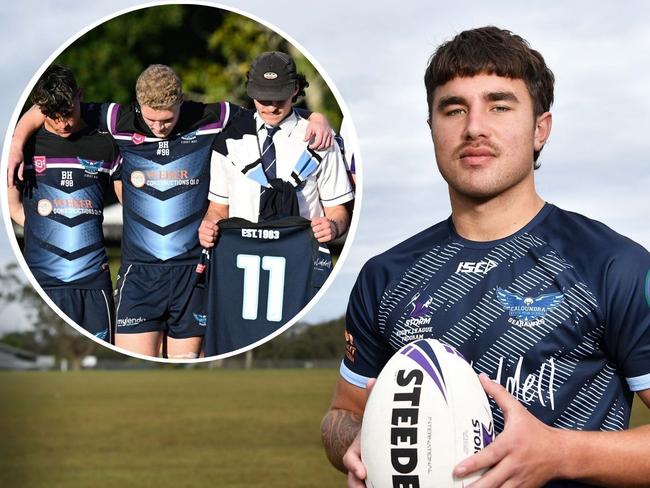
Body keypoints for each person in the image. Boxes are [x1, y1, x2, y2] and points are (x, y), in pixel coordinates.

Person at [321, 26, 650, 488]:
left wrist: (560, 453)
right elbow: (342, 413)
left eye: (499, 106)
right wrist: (356, 445)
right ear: (432, 127)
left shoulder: (613, 266)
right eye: (454, 109)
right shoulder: (386, 276)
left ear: (541, 129)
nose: (474, 127)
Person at [9, 63, 334, 359]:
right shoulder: (116, 120)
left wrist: (315, 117)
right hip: (139, 274)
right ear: (138, 106)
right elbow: (50, 106)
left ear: (181, 104)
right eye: (151, 119)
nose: (160, 127)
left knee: (186, 366)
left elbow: (271, 114)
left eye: (167, 119)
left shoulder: (211, 117)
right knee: (135, 367)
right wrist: (14, 145)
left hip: (193, 273)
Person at [7, 64, 121, 342]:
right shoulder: (27, 147)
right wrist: (45, 228)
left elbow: (129, 206)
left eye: (67, 114)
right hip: (43, 281)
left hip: (93, 282)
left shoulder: (106, 143)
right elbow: (12, 208)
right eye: (53, 116)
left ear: (79, 95)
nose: (62, 123)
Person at [198, 51, 353, 248]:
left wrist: (333, 227)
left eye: (279, 98)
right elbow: (218, 209)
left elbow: (338, 210)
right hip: (243, 254)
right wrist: (208, 225)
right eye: (263, 99)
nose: (271, 108)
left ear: (295, 89)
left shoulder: (320, 139)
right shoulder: (229, 141)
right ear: (250, 91)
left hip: (303, 255)